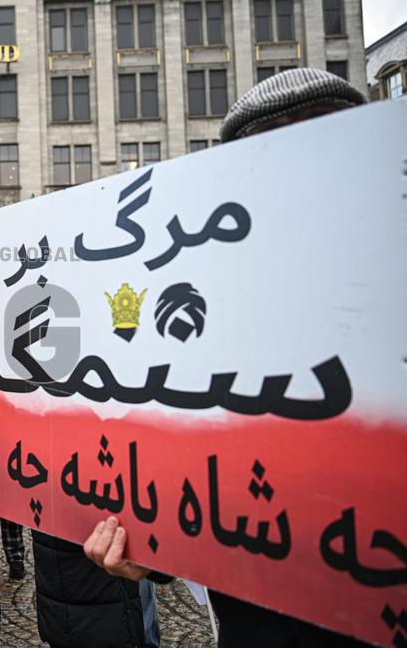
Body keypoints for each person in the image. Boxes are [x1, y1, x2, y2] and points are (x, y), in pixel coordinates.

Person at [83, 68, 369, 648]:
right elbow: (187, 462)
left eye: (320, 143)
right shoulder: (204, 312)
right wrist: (145, 548)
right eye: (273, 151)